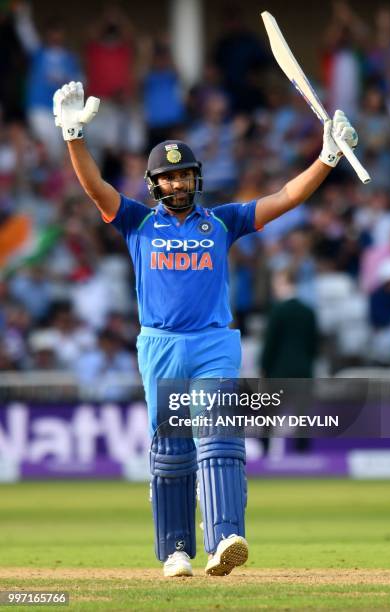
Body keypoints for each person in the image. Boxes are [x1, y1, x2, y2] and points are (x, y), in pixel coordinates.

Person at [53, 80, 358, 578]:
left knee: (220, 435)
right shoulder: (136, 222)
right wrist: (72, 135)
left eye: (184, 176)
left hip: (214, 342)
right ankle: (176, 550)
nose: (177, 184)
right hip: (160, 345)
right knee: (172, 451)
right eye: (168, 178)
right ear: (155, 185)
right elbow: (94, 187)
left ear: (197, 179)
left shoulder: (222, 221)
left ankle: (225, 538)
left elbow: (283, 197)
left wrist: (326, 158)